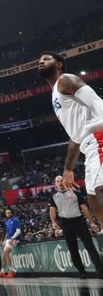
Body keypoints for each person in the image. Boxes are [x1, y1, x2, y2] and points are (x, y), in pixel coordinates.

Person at [38, 52, 103, 222]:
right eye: (40, 60)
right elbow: (75, 136)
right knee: (94, 202)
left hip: (98, 136)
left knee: (101, 190)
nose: (41, 61)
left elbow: (97, 103)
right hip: (88, 145)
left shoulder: (66, 80)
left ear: (59, 64)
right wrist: (68, 168)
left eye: (46, 59)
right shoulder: (56, 94)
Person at [49, 174, 103, 278]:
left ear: (65, 181)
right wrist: (54, 222)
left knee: (90, 246)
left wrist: (91, 222)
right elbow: (52, 210)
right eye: (57, 181)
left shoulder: (75, 193)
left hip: (79, 221)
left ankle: (100, 271)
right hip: (65, 223)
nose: (59, 182)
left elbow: (84, 208)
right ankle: (82, 272)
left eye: (61, 180)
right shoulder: (53, 197)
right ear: (55, 184)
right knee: (73, 249)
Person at [0, 209, 21, 278]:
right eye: (7, 213)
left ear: (12, 213)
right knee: (3, 255)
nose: (8, 214)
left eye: (9, 213)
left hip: (14, 239)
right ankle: (2, 272)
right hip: (8, 239)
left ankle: (13, 270)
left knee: (6, 253)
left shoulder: (15, 220)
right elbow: (7, 232)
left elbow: (18, 231)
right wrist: (4, 240)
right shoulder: (7, 222)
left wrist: (13, 238)